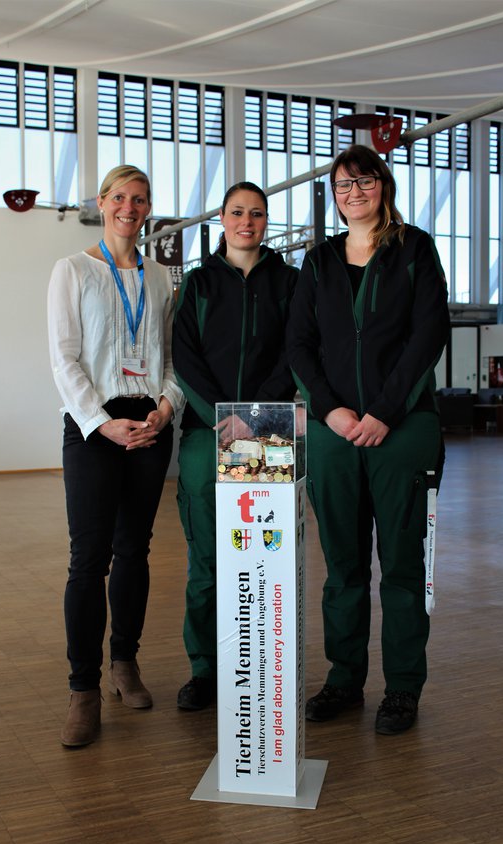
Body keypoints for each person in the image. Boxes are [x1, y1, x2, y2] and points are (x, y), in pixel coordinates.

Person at [287, 144, 450, 735]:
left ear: (383, 185)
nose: (352, 193)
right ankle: (343, 679)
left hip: (403, 430)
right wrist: (329, 411)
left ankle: (403, 688)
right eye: (341, 185)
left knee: (402, 567)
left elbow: (428, 336)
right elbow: (299, 344)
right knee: (343, 567)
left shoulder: (415, 249)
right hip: (334, 435)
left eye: (363, 181)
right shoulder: (320, 260)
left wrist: (384, 411)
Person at [48, 165, 183, 747]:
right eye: (121, 197)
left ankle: (123, 664)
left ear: (148, 209)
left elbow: (176, 360)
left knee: (135, 550)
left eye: (141, 199)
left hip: (150, 426)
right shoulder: (72, 270)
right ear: (102, 203)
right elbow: (64, 360)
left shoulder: (161, 279)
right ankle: (82, 689)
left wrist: (165, 409)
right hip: (94, 429)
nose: (131, 207)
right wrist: (104, 425)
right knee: (89, 558)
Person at [172, 181, 299, 710]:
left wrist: (254, 417)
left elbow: (297, 350)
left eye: (258, 214)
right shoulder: (198, 285)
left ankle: (266, 663)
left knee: (268, 560)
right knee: (208, 559)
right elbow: (185, 356)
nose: (247, 222)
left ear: (266, 221)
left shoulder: (290, 283)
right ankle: (205, 670)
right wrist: (222, 418)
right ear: (222, 219)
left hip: (270, 436)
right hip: (209, 434)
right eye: (237, 213)